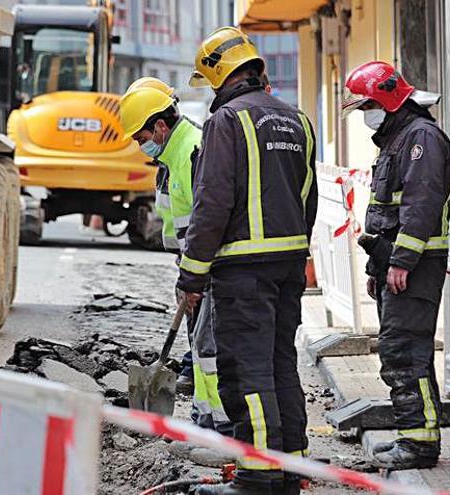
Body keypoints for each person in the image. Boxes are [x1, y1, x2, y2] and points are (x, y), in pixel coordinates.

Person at [178, 27, 317, 495]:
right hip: (288, 267)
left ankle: (258, 476)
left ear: (219, 75)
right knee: (281, 365)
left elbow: (212, 203)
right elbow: (308, 200)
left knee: (247, 371)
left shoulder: (226, 122)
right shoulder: (298, 120)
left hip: (242, 269)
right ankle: (291, 468)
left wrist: (191, 272)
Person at [342, 60, 450, 470]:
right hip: (397, 263)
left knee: (403, 352)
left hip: (416, 264)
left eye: (365, 106)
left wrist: (403, 261)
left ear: (386, 100)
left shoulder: (419, 138)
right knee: (409, 353)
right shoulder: (399, 137)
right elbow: (387, 212)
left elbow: (420, 206)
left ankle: (419, 444)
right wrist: (379, 269)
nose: (363, 115)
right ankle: (417, 434)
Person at [120, 79, 231, 436]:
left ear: (161, 126)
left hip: (207, 268)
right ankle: (203, 416)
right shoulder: (170, 155)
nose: (141, 146)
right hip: (189, 267)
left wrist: (196, 275)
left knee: (209, 349)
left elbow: (208, 218)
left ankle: (221, 427)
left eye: (141, 137)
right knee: (199, 348)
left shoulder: (193, 150)